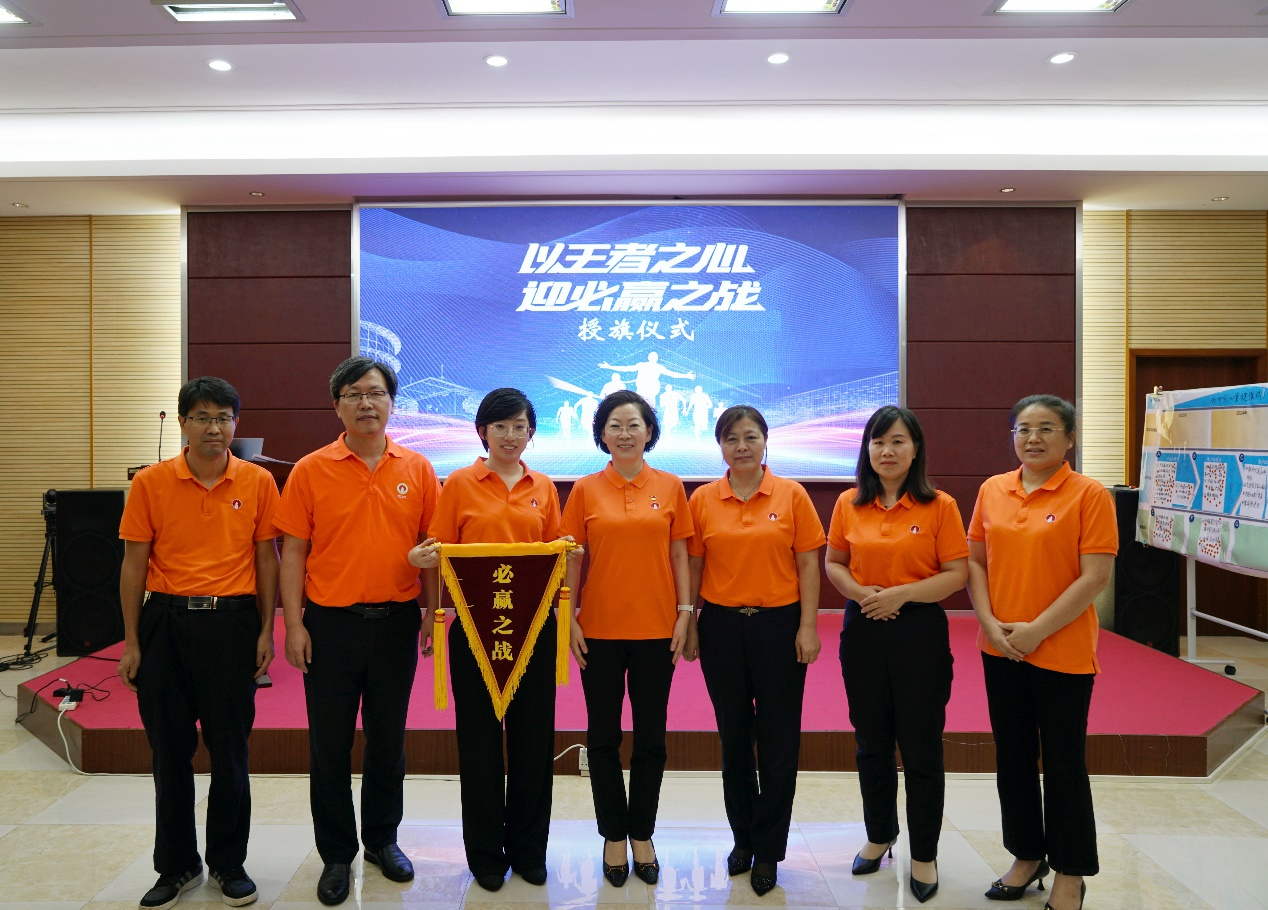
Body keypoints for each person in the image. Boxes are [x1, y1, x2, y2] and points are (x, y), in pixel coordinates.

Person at [275, 356, 441, 907]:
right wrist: (293, 623)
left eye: (376, 393)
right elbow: (293, 552)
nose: (366, 403)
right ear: (337, 406)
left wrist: (431, 612)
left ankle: (382, 841)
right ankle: (336, 854)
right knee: (330, 744)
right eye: (354, 394)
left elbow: (432, 549)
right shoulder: (310, 470)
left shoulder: (418, 468)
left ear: (392, 402)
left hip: (396, 622)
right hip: (330, 625)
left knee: (388, 740)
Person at [118, 376, 280, 910]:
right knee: (169, 753)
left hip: (232, 625)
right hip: (164, 624)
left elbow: (267, 559)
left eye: (224, 418)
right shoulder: (151, 482)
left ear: (236, 423)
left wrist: (266, 629)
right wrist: (132, 641)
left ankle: (229, 864)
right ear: (184, 423)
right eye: (203, 418)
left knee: (230, 751)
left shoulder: (257, 481)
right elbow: (134, 565)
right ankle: (177, 865)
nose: (215, 428)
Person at [413, 388, 579, 893]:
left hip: (533, 631)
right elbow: (439, 551)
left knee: (533, 742)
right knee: (479, 744)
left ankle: (529, 850)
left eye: (519, 426)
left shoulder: (544, 486)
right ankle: (485, 855)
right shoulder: (459, 484)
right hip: (473, 629)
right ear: (483, 431)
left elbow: (554, 554)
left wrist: (566, 557)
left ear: (532, 433)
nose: (510, 436)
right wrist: (430, 609)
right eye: (500, 426)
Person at [967, 395, 1116, 910]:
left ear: (1069, 438)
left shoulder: (1090, 494)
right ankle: (1027, 856)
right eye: (1023, 428)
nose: (1033, 438)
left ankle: (1071, 872)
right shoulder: (992, 490)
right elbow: (976, 563)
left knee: (1063, 763)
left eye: (1047, 428)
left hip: (1062, 652)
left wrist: (1036, 631)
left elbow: (1094, 577)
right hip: (1000, 649)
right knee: (1012, 758)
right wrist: (990, 624)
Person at [824, 405, 969, 905]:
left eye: (898, 441)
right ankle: (880, 834)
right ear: (867, 449)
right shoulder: (849, 502)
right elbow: (834, 562)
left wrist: (900, 596)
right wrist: (862, 594)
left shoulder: (940, 505)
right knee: (871, 742)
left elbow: (956, 574)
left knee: (922, 746)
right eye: (878, 441)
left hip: (919, 632)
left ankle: (924, 852)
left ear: (915, 449)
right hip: (862, 628)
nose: (887, 451)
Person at [683, 405, 825, 896]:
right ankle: (743, 838)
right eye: (731, 439)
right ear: (720, 446)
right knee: (735, 738)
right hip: (721, 627)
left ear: (766, 441)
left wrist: (808, 627)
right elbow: (695, 567)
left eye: (750, 437)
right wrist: (691, 621)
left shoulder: (792, 494)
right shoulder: (703, 498)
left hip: (779, 627)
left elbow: (809, 566)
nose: (741, 447)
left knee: (779, 740)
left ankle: (769, 849)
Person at [561, 389, 694, 888]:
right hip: (598, 631)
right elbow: (572, 558)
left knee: (651, 739)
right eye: (614, 425)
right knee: (603, 737)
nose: (624, 433)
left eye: (633, 424)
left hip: (658, 630)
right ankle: (613, 836)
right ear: (601, 434)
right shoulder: (584, 490)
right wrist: (569, 618)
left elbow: (680, 555)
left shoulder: (671, 486)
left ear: (649, 431)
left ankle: (642, 834)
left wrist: (685, 614)